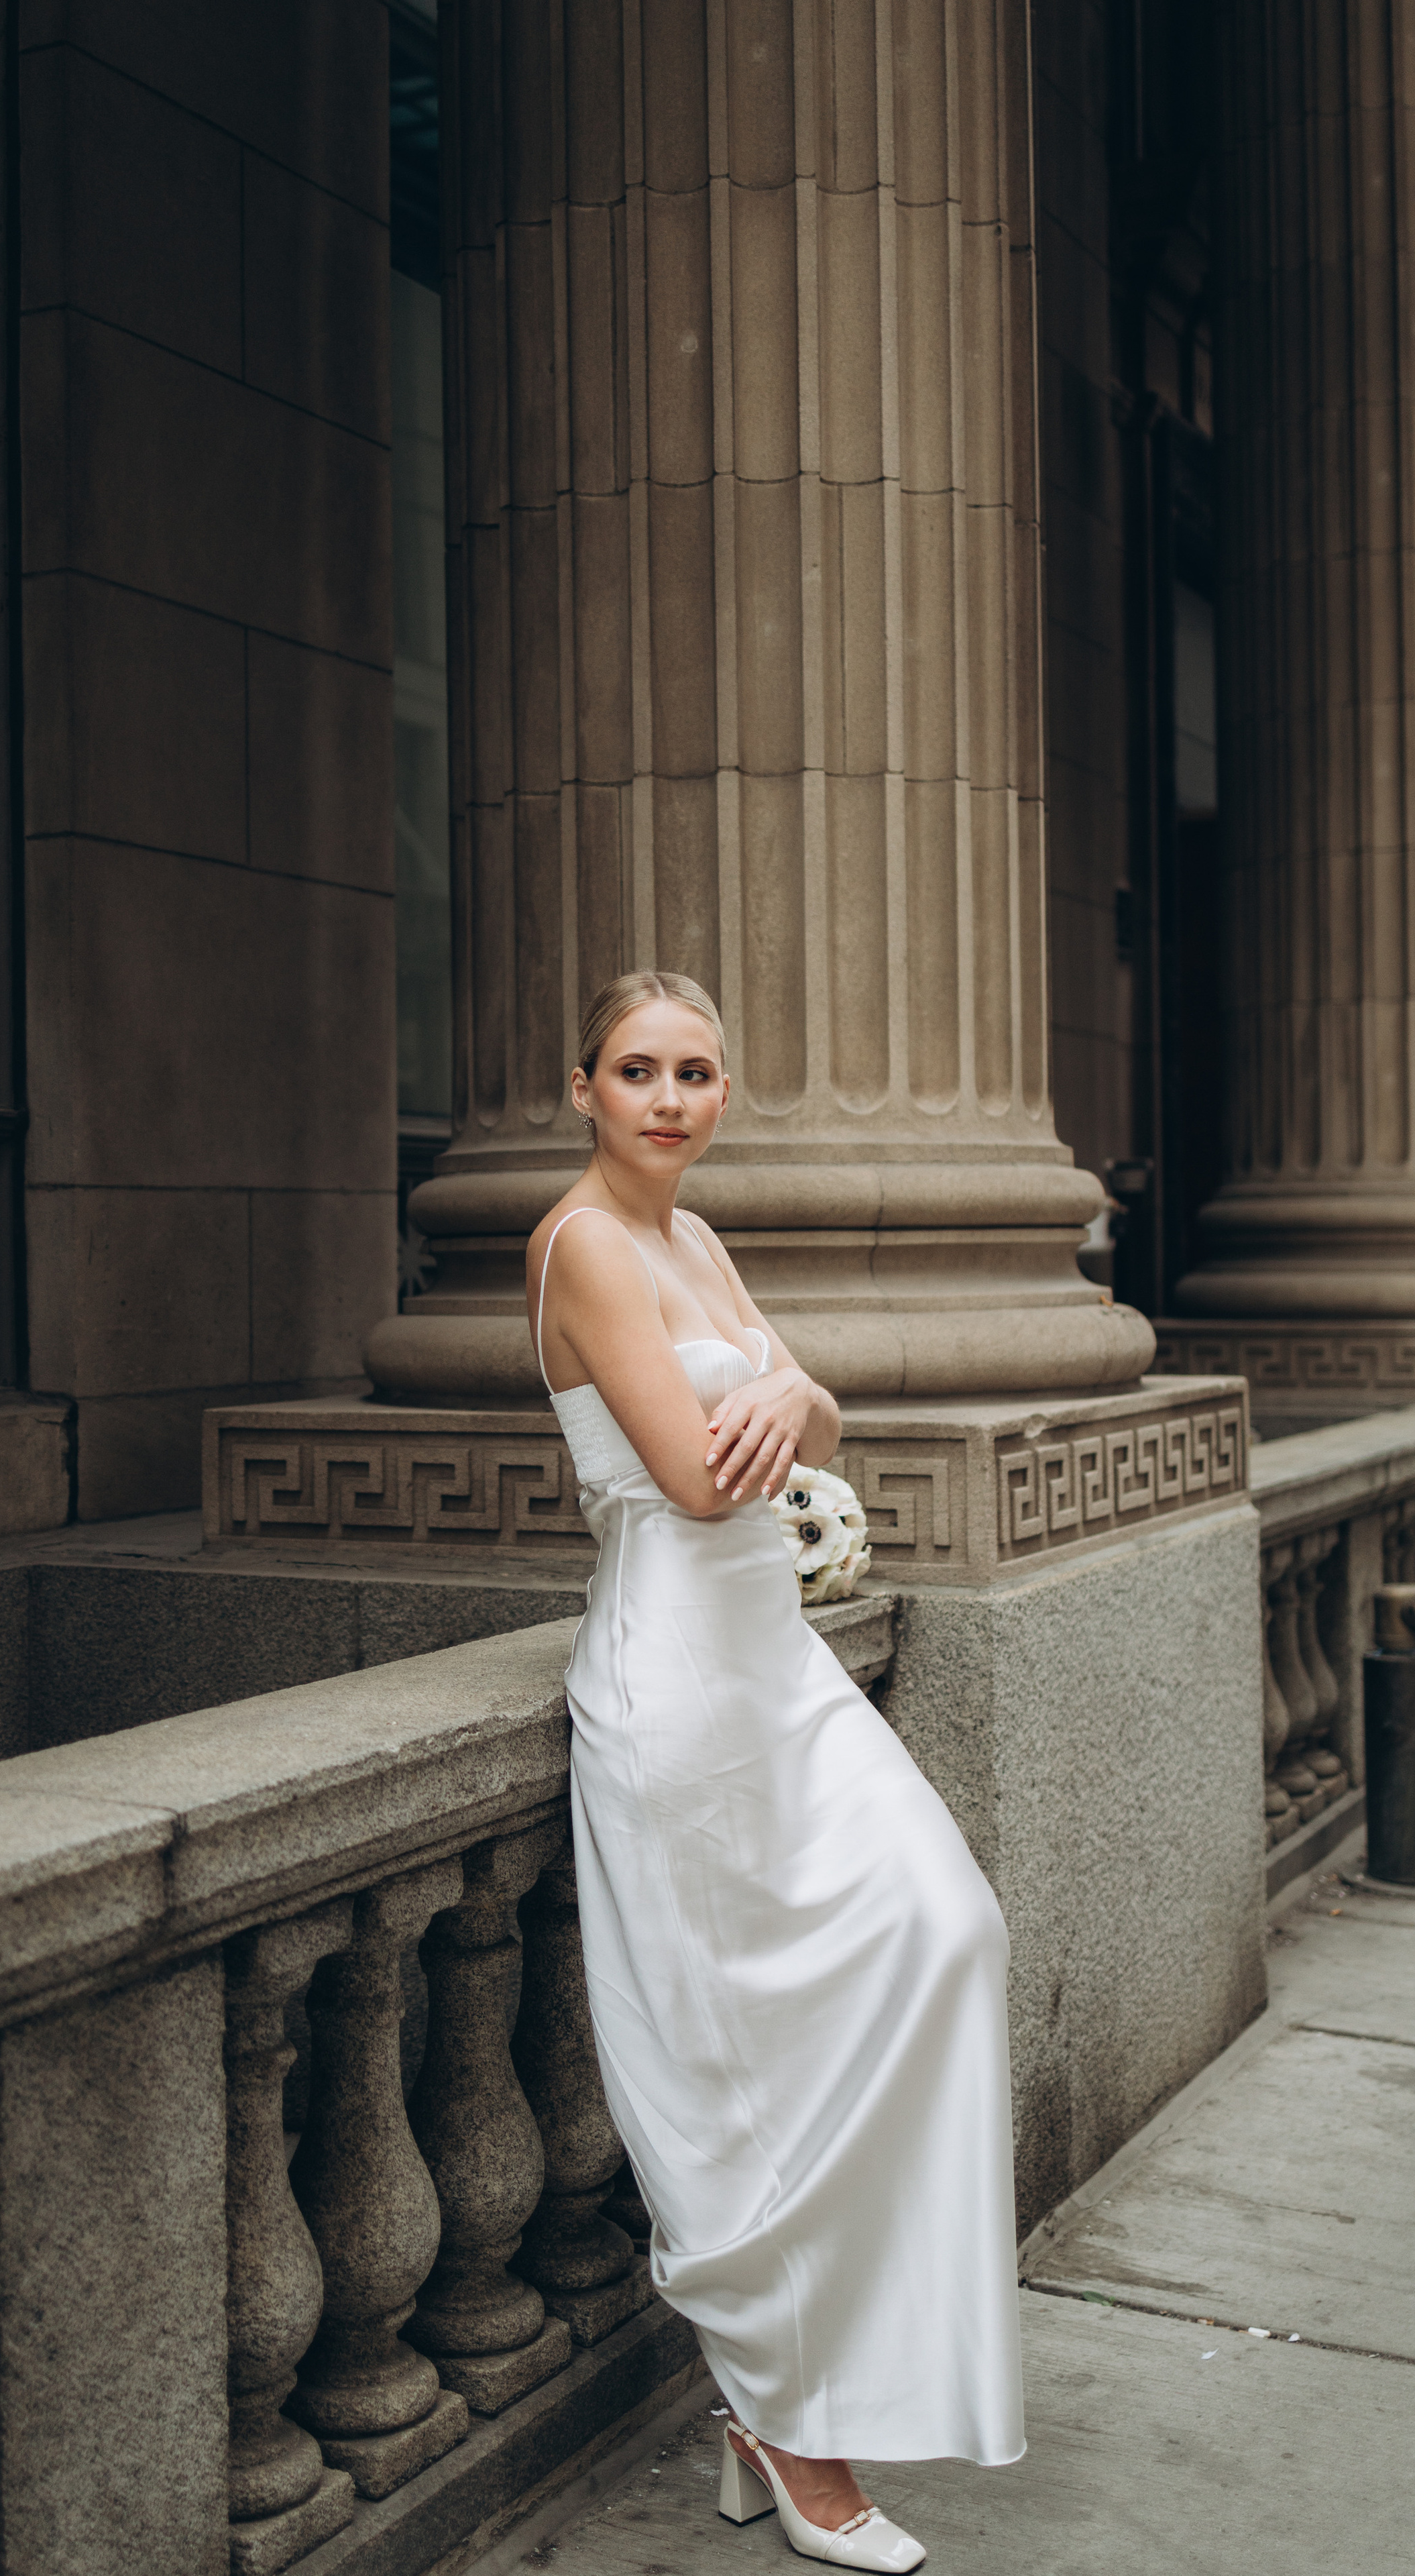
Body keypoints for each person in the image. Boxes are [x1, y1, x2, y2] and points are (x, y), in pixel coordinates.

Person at [524, 971, 1025, 2571]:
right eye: (637, 1071)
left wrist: (795, 1395)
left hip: (778, 1674)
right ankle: (787, 2426)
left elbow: (813, 1421)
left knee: (944, 1929)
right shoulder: (583, 1246)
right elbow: (697, 1476)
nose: (668, 1099)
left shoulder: (694, 1240)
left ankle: (802, 2385)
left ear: (722, 1093)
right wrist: (783, 1408)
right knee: (729, 2061)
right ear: (583, 1088)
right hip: (675, 1684)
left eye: (695, 1073)